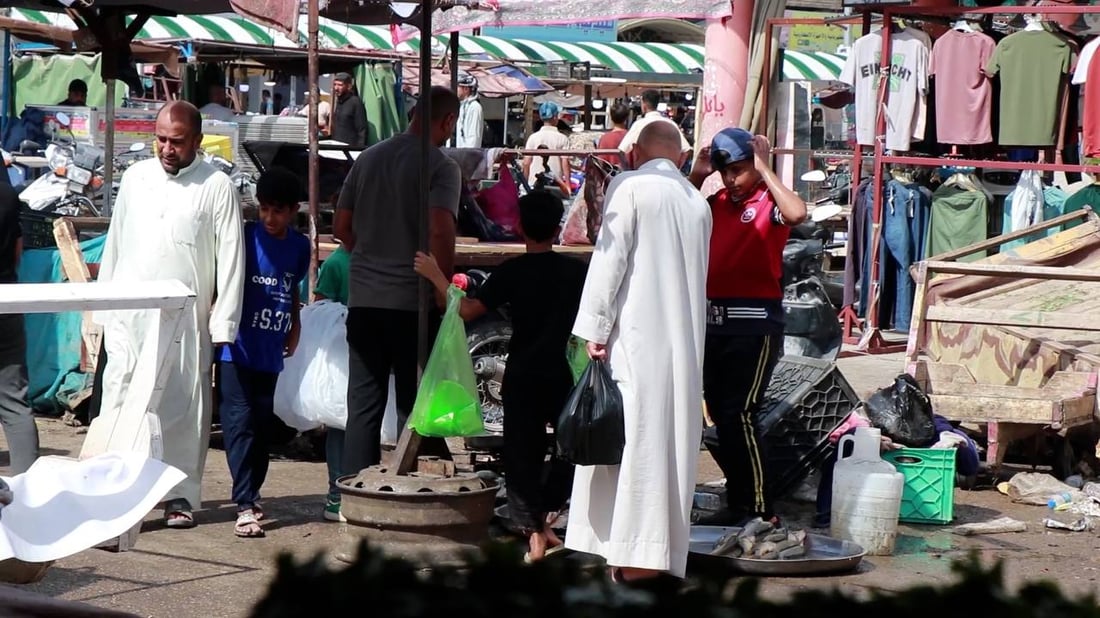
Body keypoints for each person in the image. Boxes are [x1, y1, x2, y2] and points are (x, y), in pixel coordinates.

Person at [564, 121, 711, 580]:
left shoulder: (630, 186)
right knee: (668, 446)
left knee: (632, 445)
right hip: (684, 348)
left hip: (636, 339)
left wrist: (594, 329)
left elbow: (609, 262)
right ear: (678, 156)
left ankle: (629, 558)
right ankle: (654, 557)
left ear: (634, 153)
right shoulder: (696, 202)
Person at [414, 190, 586, 562]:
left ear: (520, 227)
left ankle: (535, 534)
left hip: (522, 375)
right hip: (559, 372)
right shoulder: (576, 272)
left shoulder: (512, 272)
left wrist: (435, 277)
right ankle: (548, 518)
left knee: (521, 455)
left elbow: (468, 311)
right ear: (557, 228)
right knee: (570, 446)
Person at [96, 100, 245, 528]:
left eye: (176, 141)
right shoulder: (135, 178)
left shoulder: (216, 186)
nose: (166, 148)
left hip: (184, 318)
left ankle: (179, 495)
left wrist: (223, 325)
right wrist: (104, 308)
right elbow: (117, 243)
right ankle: (115, 489)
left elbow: (231, 260)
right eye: (160, 139)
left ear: (196, 141)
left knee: (182, 405)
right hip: (129, 313)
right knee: (121, 397)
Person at [333, 86, 461, 480]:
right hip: (412, 302)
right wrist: (442, 286)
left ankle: (351, 491)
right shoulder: (441, 167)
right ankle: (411, 490)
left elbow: (340, 225)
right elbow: (440, 229)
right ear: (448, 122)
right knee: (415, 401)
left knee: (364, 403)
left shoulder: (369, 158)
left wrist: (371, 253)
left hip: (365, 299)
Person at [688, 128, 807, 526]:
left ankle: (758, 507)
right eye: (725, 172)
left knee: (739, 413)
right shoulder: (715, 202)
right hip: (713, 323)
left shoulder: (766, 202)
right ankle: (739, 498)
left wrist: (764, 167)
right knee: (719, 417)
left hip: (754, 327)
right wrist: (696, 173)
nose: (730, 179)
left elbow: (797, 213)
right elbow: (678, 214)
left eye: (738, 170)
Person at [217, 168, 309, 538]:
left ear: (293, 211)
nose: (269, 219)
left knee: (260, 424)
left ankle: (252, 495)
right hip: (235, 347)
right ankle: (244, 503)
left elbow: (292, 289)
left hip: (271, 347)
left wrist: (295, 325)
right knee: (238, 425)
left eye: (278, 211)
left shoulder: (300, 247)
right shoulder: (242, 238)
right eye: (264, 210)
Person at [0, 183, 41, 475]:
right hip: (6, 299)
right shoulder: (5, 191)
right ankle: (30, 498)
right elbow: (17, 248)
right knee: (14, 403)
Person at [312, 240, 351, 522]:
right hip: (341, 357)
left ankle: (353, 491)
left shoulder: (367, 258)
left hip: (364, 354)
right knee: (339, 424)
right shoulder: (336, 264)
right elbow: (320, 310)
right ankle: (336, 496)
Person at [617, 89, 692, 167]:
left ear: (644, 104)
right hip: (667, 173)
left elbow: (622, 151)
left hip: (644, 172)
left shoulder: (639, 124)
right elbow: (687, 150)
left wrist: (627, 170)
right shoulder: (671, 124)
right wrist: (677, 168)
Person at [523, 102, 571, 191]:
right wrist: (568, 185)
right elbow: (565, 162)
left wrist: (524, 183)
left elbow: (526, 163)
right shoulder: (562, 138)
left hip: (533, 183)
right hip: (554, 184)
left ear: (541, 117)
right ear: (555, 117)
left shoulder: (533, 137)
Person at [330, 73, 367, 148]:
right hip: (336, 148)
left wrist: (359, 150)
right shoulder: (339, 102)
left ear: (349, 86)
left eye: (340, 85)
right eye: (335, 85)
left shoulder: (355, 102)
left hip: (350, 149)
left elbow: (362, 130)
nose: (336, 88)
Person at [455, 72, 484, 148]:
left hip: (466, 156)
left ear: (466, 89)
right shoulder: (461, 106)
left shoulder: (474, 107)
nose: (455, 89)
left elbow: (473, 137)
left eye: (458, 86)